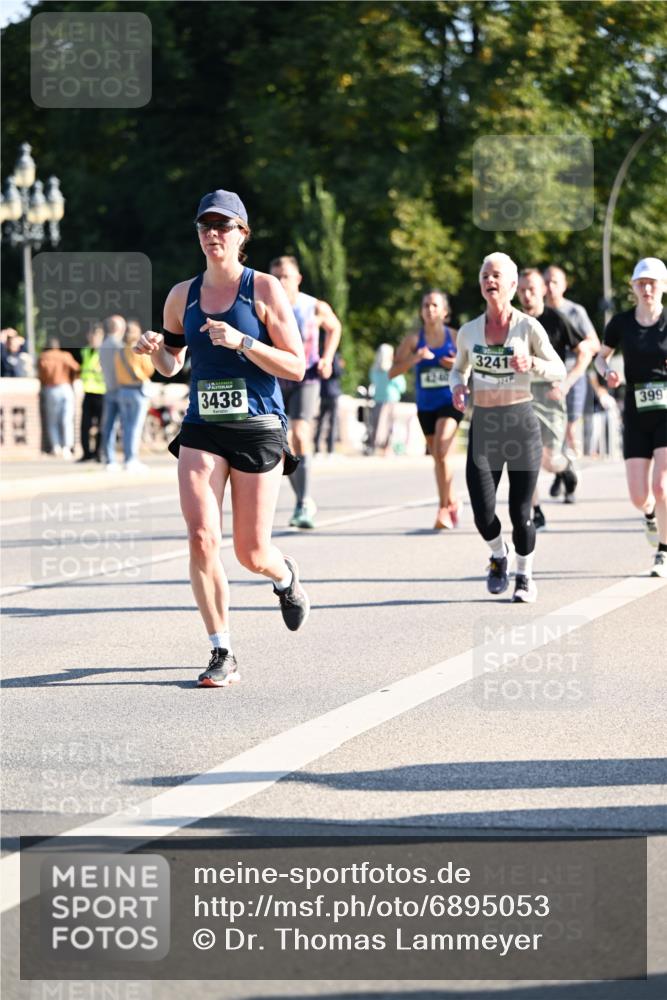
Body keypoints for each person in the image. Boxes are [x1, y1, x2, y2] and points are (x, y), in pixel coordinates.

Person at [134, 188, 309, 687]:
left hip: (257, 428)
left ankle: (285, 576)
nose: (214, 234)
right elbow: (173, 363)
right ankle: (221, 650)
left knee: (251, 552)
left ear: (242, 235)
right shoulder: (180, 296)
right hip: (202, 429)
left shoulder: (265, 290)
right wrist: (154, 351)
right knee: (202, 537)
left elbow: (296, 366)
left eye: (224, 226)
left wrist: (243, 340)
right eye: (206, 227)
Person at [451, 253, 566, 602]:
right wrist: (457, 386)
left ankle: (525, 577)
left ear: (513, 285)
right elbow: (459, 370)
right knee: (483, 514)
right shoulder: (470, 331)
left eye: (497, 275)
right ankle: (498, 556)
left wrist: (531, 362)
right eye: (485, 274)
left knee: (521, 512)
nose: (490, 280)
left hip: (520, 424)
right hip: (484, 426)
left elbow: (558, 368)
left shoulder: (528, 327)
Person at [595, 257, 667, 578]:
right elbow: (600, 358)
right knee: (640, 496)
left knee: (662, 486)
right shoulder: (621, 323)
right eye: (641, 283)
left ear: (663, 287)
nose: (647, 288)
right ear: (634, 288)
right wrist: (608, 372)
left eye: (653, 283)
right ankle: (650, 514)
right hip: (636, 411)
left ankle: (663, 552)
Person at [269, 256, 342, 529]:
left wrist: (327, 357)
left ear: (298, 278)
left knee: (300, 432)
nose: (280, 281)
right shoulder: (265, 305)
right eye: (275, 276)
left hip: (307, 376)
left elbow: (335, 327)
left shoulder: (313, 306)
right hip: (276, 377)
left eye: (286, 275)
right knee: (279, 442)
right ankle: (302, 498)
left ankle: (303, 501)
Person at [517, 269, 592, 528]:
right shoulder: (511, 321)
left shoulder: (556, 319)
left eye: (532, 289)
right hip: (519, 396)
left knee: (549, 461)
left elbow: (584, 352)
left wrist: (568, 382)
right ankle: (535, 512)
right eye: (522, 290)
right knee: (525, 457)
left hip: (549, 396)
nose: (527, 295)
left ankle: (565, 469)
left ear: (543, 291)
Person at [390, 291, 462, 528]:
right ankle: (452, 499)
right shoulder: (413, 340)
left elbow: (472, 366)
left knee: (442, 447)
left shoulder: (455, 337)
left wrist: (456, 365)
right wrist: (415, 358)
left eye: (434, 305)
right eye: (425, 305)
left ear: (444, 311)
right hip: (426, 406)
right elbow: (392, 372)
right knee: (438, 457)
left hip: (451, 402)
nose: (429, 309)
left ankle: (442, 510)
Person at [543, 265, 600, 485]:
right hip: (547, 379)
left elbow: (594, 343)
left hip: (573, 377)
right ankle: (561, 470)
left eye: (555, 281)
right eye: (546, 282)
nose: (550, 286)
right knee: (550, 433)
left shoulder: (575, 312)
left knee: (569, 429)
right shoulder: (539, 312)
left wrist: (576, 343)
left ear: (564, 285)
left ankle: (570, 474)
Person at [115, 319, 154, 471]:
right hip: (137, 391)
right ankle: (132, 459)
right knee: (136, 427)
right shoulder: (139, 350)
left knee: (126, 426)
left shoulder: (119, 350)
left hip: (122, 390)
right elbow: (149, 369)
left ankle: (126, 458)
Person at [37, 336, 80, 459]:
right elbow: (76, 368)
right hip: (66, 387)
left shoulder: (44, 357)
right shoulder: (65, 355)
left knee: (53, 421)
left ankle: (56, 447)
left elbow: (41, 375)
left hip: (51, 388)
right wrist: (72, 380)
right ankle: (67, 447)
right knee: (67, 419)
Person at [367, 344, 406, 456]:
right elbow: (401, 386)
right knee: (390, 425)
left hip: (378, 399)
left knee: (377, 424)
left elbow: (373, 382)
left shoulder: (374, 370)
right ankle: (387, 447)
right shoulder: (393, 369)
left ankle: (375, 447)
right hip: (391, 399)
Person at [98, 314, 126, 470]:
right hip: (122, 388)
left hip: (109, 389)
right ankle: (129, 459)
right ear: (119, 328)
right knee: (127, 427)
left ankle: (109, 459)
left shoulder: (103, 345)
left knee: (108, 426)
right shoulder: (119, 346)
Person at [78, 324, 106, 462]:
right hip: (88, 392)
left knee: (102, 426)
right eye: (91, 335)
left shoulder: (106, 352)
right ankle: (86, 454)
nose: (92, 338)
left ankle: (98, 453)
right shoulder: (85, 351)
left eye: (95, 335)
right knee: (85, 426)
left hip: (102, 393)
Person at [314, 352, 342, 457]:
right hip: (333, 393)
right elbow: (338, 372)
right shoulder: (332, 355)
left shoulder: (319, 355)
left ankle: (317, 448)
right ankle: (330, 449)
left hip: (323, 392)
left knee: (321, 421)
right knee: (332, 422)